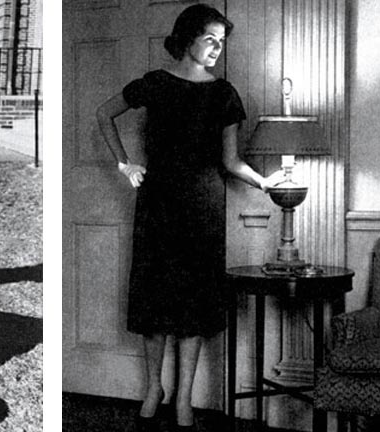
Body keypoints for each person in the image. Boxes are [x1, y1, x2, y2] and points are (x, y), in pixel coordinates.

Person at [95, 4, 282, 431]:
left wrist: (265, 183)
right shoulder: (155, 84)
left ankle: (183, 397)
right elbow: (103, 114)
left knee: (193, 307)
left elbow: (231, 161)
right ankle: (152, 389)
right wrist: (125, 165)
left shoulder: (223, 94)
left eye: (222, 41)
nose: (217, 48)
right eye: (210, 39)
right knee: (155, 302)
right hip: (158, 204)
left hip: (203, 209)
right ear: (187, 39)